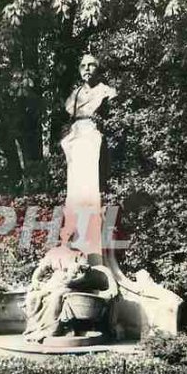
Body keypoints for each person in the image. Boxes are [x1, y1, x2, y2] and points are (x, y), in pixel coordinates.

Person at [60, 53, 117, 263]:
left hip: (91, 136)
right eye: (83, 65)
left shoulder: (106, 92)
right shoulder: (73, 96)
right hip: (76, 137)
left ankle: (93, 250)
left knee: (91, 193)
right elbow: (68, 111)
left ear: (98, 68)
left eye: (91, 65)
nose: (86, 68)